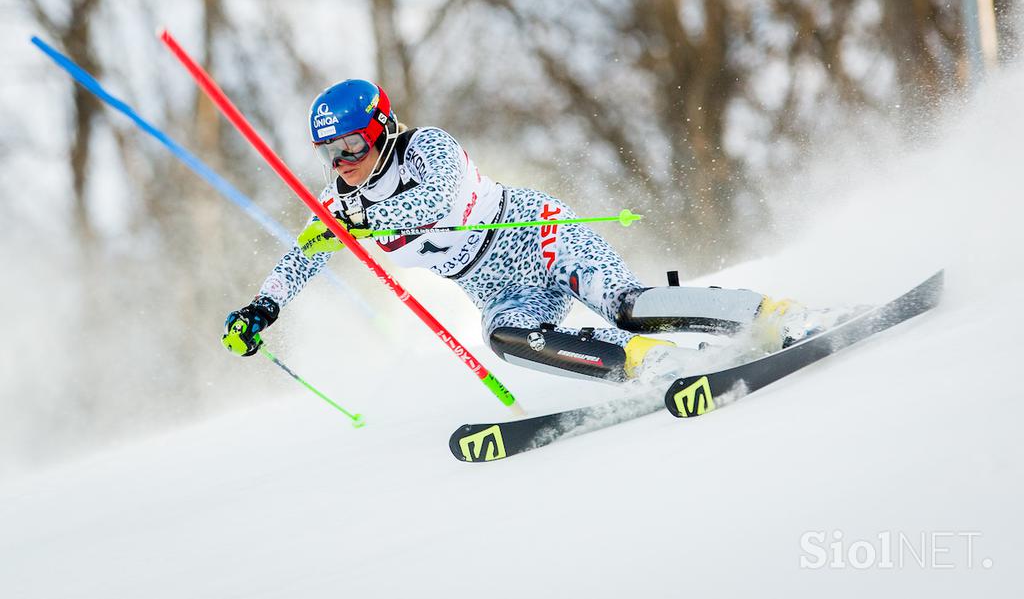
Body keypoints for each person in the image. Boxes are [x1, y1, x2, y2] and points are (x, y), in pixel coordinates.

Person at [221, 79, 818, 383]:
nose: (341, 162)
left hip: (533, 234)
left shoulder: (426, 148)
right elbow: (302, 258)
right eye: (328, 152)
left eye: (350, 144)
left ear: (380, 128)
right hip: (494, 285)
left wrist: (365, 219)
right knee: (506, 338)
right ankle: (643, 364)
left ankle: (769, 312)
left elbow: (443, 204)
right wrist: (261, 309)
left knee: (626, 305)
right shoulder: (338, 204)